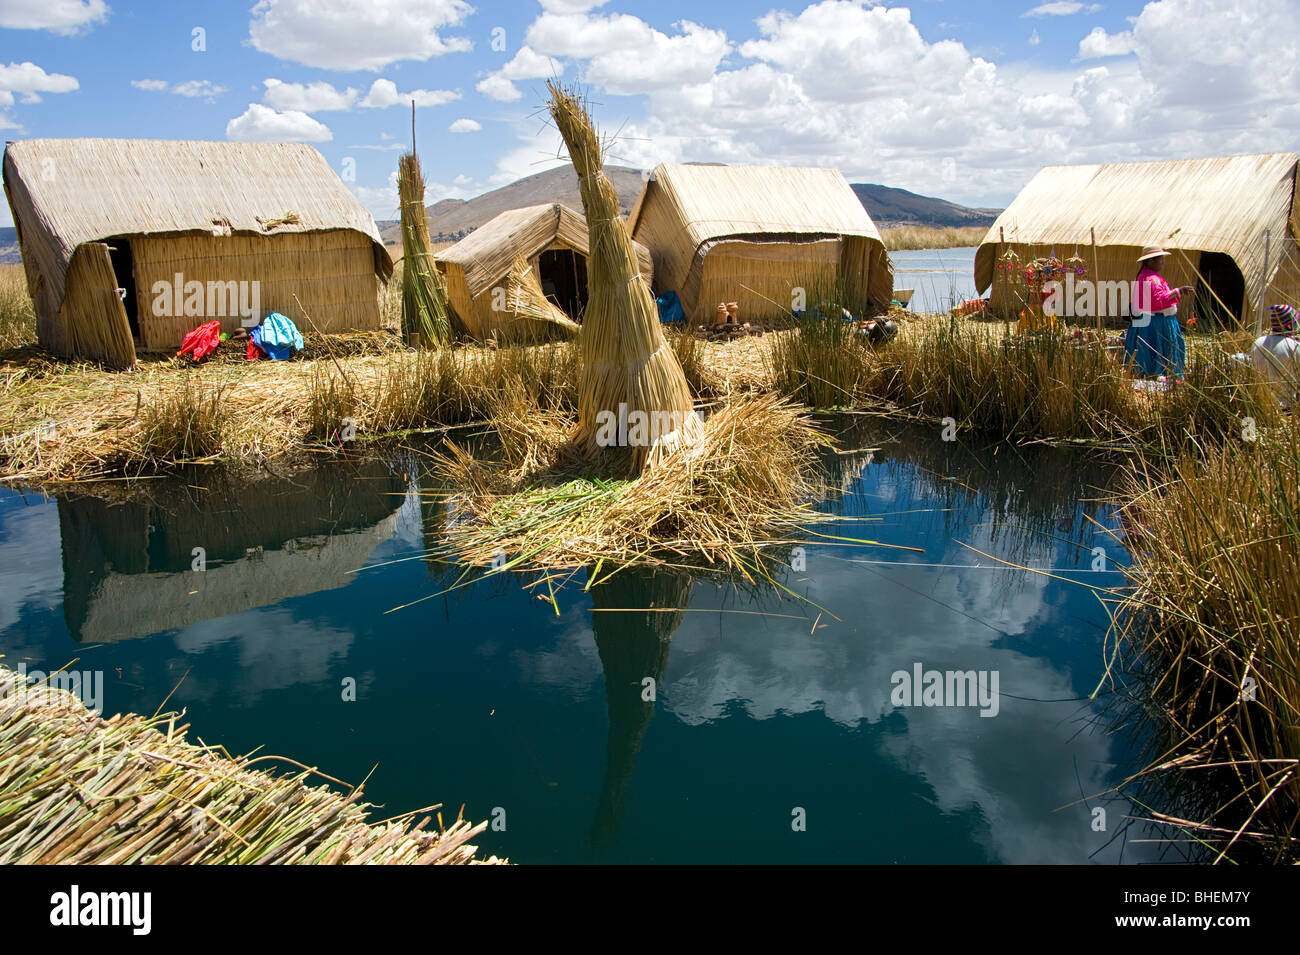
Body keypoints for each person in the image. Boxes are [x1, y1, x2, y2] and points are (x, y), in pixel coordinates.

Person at [1125, 246, 1194, 379]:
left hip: (1148, 321)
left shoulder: (1145, 276)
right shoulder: (1152, 278)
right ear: (1150, 262)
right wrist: (1179, 291)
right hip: (1156, 323)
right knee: (1157, 351)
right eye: (1160, 259)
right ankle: (1158, 375)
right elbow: (1158, 301)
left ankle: (1148, 375)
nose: (1163, 262)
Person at [1251, 304, 1300, 409]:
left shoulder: (1257, 343)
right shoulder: (1294, 346)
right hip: (1285, 407)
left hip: (1260, 404)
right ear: (1290, 324)